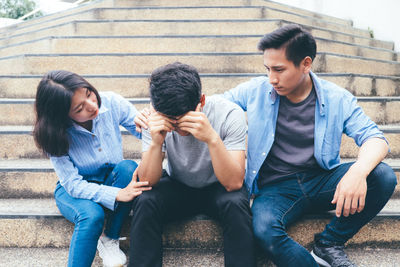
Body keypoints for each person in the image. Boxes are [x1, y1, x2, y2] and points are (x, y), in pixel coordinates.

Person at [222, 24, 397, 267]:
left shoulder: (336, 98)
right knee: (264, 231)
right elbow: (213, 105)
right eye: (268, 69)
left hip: (322, 180)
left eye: (279, 69)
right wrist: (156, 113)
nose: (271, 78)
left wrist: (357, 172)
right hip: (276, 188)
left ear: (305, 64)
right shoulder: (256, 90)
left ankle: (328, 243)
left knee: (383, 176)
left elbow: (376, 139)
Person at [129, 62, 256, 267]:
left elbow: (234, 182)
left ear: (202, 101)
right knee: (145, 200)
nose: (178, 126)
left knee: (236, 203)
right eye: (171, 120)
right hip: (178, 185)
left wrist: (212, 139)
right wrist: (155, 142)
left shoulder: (229, 114)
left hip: (219, 186)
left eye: (182, 118)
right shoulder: (154, 117)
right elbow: (147, 181)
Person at [33, 70, 152, 267]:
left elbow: (144, 132)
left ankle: (109, 238)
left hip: (113, 177)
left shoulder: (111, 101)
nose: (92, 106)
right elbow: (72, 184)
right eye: (79, 108)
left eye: (89, 94)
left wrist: (148, 122)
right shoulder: (52, 133)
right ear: (62, 116)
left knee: (128, 168)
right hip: (74, 190)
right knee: (92, 215)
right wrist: (116, 194)